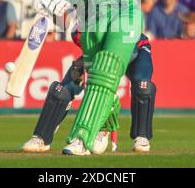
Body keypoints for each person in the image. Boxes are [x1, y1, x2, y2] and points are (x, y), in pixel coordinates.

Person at [17, 0, 143, 155]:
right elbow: (65, 19)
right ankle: (103, 127)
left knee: (106, 71)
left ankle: (81, 138)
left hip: (121, 7)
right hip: (90, 21)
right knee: (98, 77)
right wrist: (56, 7)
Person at [22, 30, 156, 154]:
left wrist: (100, 70)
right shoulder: (80, 27)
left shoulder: (117, 18)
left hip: (134, 48)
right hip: (97, 53)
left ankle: (141, 136)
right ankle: (41, 138)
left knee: (143, 87)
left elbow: (121, 52)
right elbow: (89, 48)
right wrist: (85, 65)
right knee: (61, 90)